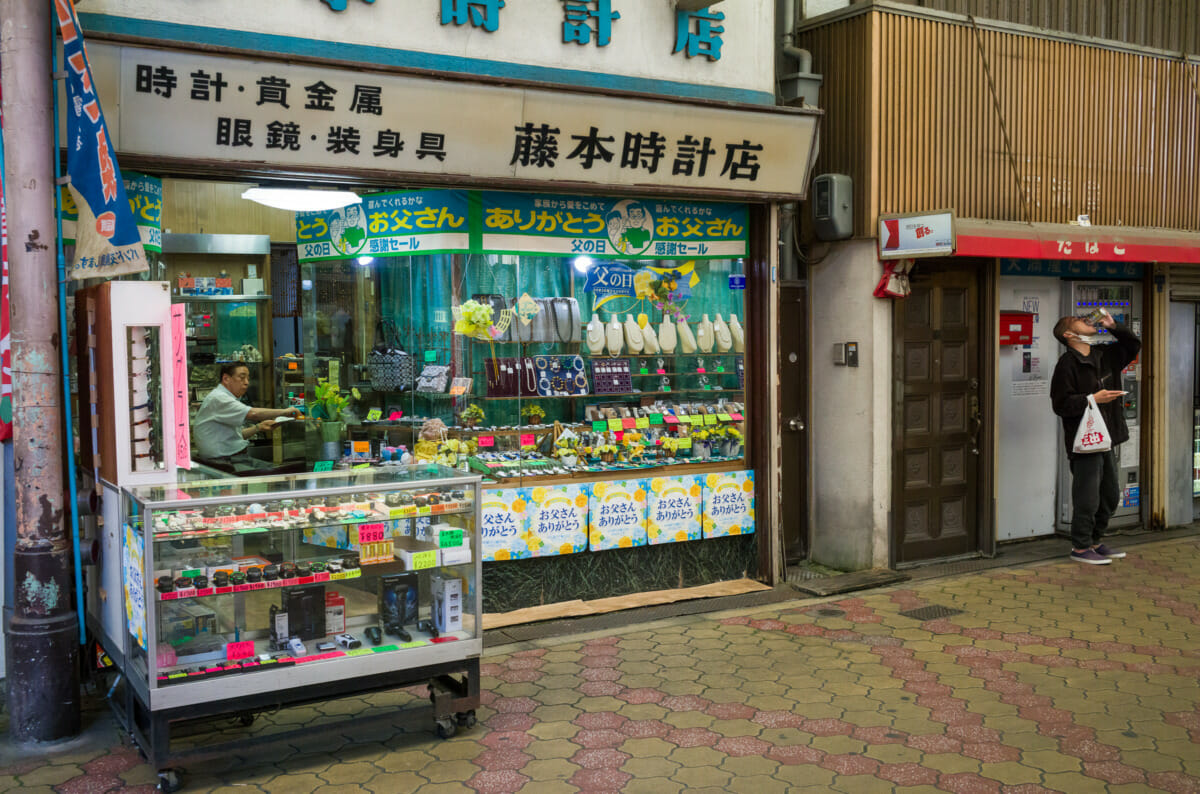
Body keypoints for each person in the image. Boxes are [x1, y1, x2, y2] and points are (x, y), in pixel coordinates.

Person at [1049, 310, 1141, 565]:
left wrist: (1113, 325)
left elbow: (1133, 345)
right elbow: (1060, 404)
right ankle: (1080, 547)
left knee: (1110, 494)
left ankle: (1094, 541)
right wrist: (1092, 399)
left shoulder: (1104, 355)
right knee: (1087, 496)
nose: (1087, 322)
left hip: (1107, 436)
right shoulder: (1067, 364)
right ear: (1069, 335)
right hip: (1085, 440)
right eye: (1080, 321)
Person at [193, 362, 301, 469]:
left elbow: (233, 436)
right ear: (226, 379)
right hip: (227, 462)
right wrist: (285, 412)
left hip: (235, 458)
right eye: (242, 377)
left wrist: (258, 427)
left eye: (248, 378)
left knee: (280, 470)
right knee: (281, 473)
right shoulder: (219, 398)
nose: (246, 383)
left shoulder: (224, 398)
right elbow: (253, 413)